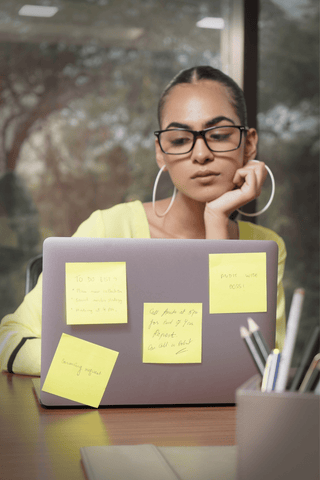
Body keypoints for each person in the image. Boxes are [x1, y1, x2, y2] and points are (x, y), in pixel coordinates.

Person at [0, 66, 286, 376]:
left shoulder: (265, 249)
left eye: (218, 136)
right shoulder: (108, 231)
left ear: (249, 144)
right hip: (110, 421)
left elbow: (248, 368)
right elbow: (10, 339)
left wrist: (216, 220)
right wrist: (104, 372)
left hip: (218, 423)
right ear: (161, 152)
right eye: (179, 140)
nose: (200, 154)